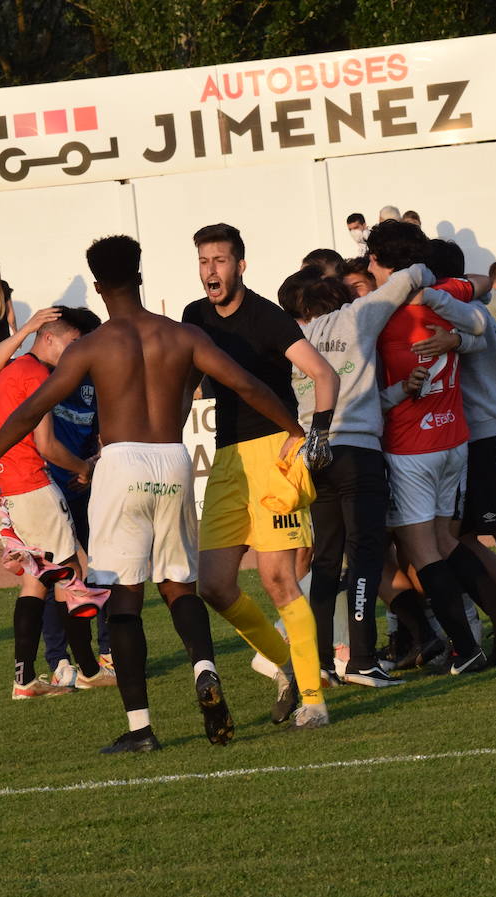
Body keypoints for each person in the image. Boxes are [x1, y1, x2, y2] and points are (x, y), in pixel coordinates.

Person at [0, 234, 309, 752]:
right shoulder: (181, 336)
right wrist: (294, 428)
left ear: (97, 286)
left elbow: (30, 409)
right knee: (179, 583)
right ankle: (204, 667)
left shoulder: (92, 345)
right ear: (139, 276)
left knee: (126, 600)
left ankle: (141, 730)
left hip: (122, 463)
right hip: (173, 461)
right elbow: (247, 384)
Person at [279, 257, 483, 686]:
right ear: (338, 298)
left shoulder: (298, 339)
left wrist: (395, 392)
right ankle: (362, 659)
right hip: (358, 454)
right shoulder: (357, 317)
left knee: (327, 560)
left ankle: (317, 661)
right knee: (367, 555)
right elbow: (413, 276)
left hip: (317, 455)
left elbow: (348, 397)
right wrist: (432, 275)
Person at [182, 223, 340, 729]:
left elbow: (324, 374)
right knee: (213, 585)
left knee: (277, 579)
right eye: (204, 261)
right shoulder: (194, 317)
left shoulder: (268, 317)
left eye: (221, 260)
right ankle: (290, 669)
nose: (211, 270)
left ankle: (314, 700)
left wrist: (316, 435)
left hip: (275, 452)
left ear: (241, 265)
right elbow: (186, 385)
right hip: (226, 458)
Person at [371, 222, 496, 675]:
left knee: (422, 553)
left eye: (373, 263)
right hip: (452, 437)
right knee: (444, 541)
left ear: (384, 265)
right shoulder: (444, 293)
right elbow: (480, 297)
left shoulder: (378, 312)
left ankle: (466, 646)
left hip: (411, 444)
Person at [0, 306, 114, 690]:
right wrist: (84, 467)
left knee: (36, 580)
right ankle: (89, 671)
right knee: (72, 574)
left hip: (7, 486)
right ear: (49, 338)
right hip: (31, 482)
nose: (76, 351)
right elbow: (47, 444)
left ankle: (25, 679)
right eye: (72, 343)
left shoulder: (13, 368)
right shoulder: (38, 374)